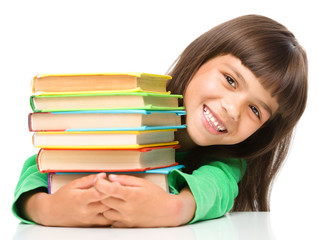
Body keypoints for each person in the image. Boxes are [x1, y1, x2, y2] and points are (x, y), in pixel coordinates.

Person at [12, 14, 308, 227]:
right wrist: (46, 209)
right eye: (230, 79)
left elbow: (218, 186)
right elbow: (43, 166)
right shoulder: (134, 113)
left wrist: (175, 208)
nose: (232, 109)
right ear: (201, 58)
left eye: (256, 110)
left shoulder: (227, 161)